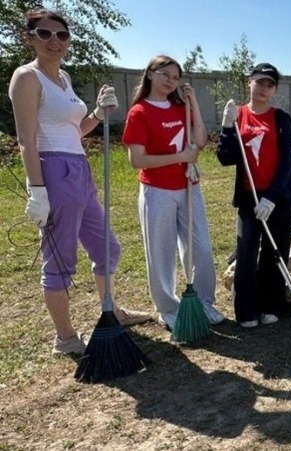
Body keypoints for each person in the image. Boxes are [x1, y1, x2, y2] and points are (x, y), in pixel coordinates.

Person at [8, 9, 150, 356]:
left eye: (62, 35)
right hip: (53, 170)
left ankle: (111, 309)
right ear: (29, 37)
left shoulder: (65, 78)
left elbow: (76, 129)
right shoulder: (27, 77)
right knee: (60, 260)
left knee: (108, 248)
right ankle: (66, 338)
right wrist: (37, 190)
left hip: (79, 169)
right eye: (44, 34)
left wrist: (99, 115)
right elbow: (26, 139)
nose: (54, 41)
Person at [121, 55, 224, 330]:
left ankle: (203, 301)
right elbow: (137, 159)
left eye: (176, 77)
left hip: (188, 188)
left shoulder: (181, 108)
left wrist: (194, 105)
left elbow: (200, 142)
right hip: (157, 191)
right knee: (160, 251)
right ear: (150, 74)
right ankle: (167, 307)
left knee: (200, 246)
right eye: (165, 74)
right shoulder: (139, 112)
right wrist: (179, 156)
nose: (170, 81)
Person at [216, 63, 291, 328]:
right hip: (249, 197)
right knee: (245, 252)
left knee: (274, 251)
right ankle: (246, 310)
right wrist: (226, 127)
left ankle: (271, 304)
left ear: (275, 89)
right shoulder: (238, 115)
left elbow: (288, 162)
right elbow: (225, 158)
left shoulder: (281, 119)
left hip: (280, 196)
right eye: (260, 82)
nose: (263, 89)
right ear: (250, 83)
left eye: (270, 85)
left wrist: (273, 197)